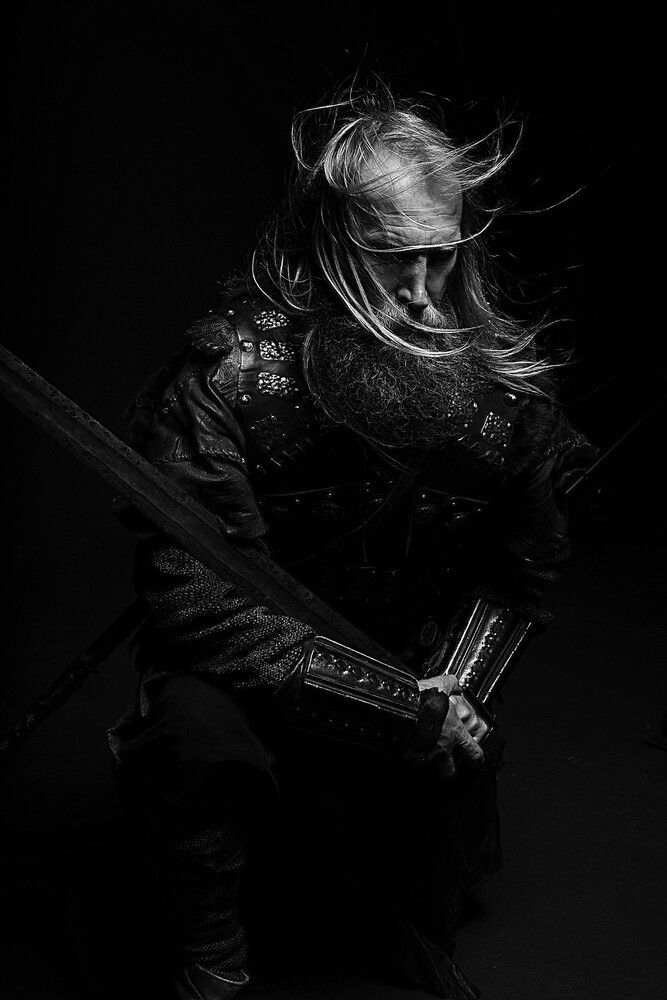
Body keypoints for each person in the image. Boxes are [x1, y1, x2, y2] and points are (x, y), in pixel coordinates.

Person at [108, 85, 592, 1000]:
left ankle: (410, 924)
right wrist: (394, 710)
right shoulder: (226, 378)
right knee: (190, 733)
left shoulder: (505, 391)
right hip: (250, 674)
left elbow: (519, 571)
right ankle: (211, 957)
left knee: (454, 783)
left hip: (416, 662)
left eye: (440, 257)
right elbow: (194, 600)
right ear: (328, 240)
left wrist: (452, 693)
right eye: (388, 257)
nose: (419, 294)